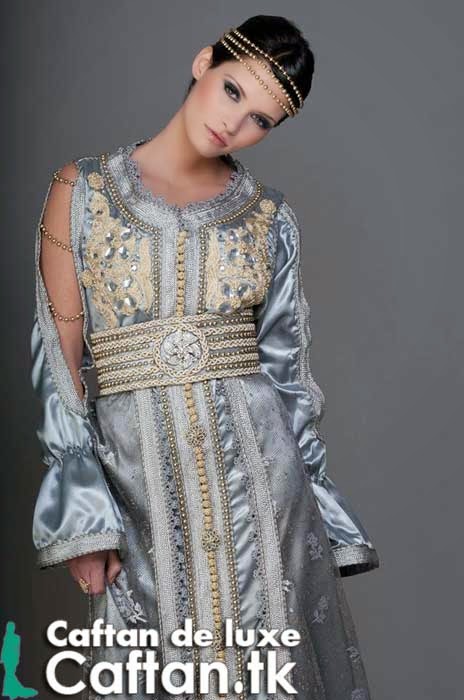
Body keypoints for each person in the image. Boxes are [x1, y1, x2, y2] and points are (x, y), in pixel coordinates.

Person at [30, 14, 379, 700]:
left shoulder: (270, 217)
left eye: (260, 120)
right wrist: (83, 517)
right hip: (136, 489)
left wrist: (320, 502)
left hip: (265, 495)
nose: (233, 123)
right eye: (232, 90)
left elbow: (287, 375)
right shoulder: (82, 190)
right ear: (203, 63)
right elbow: (58, 353)